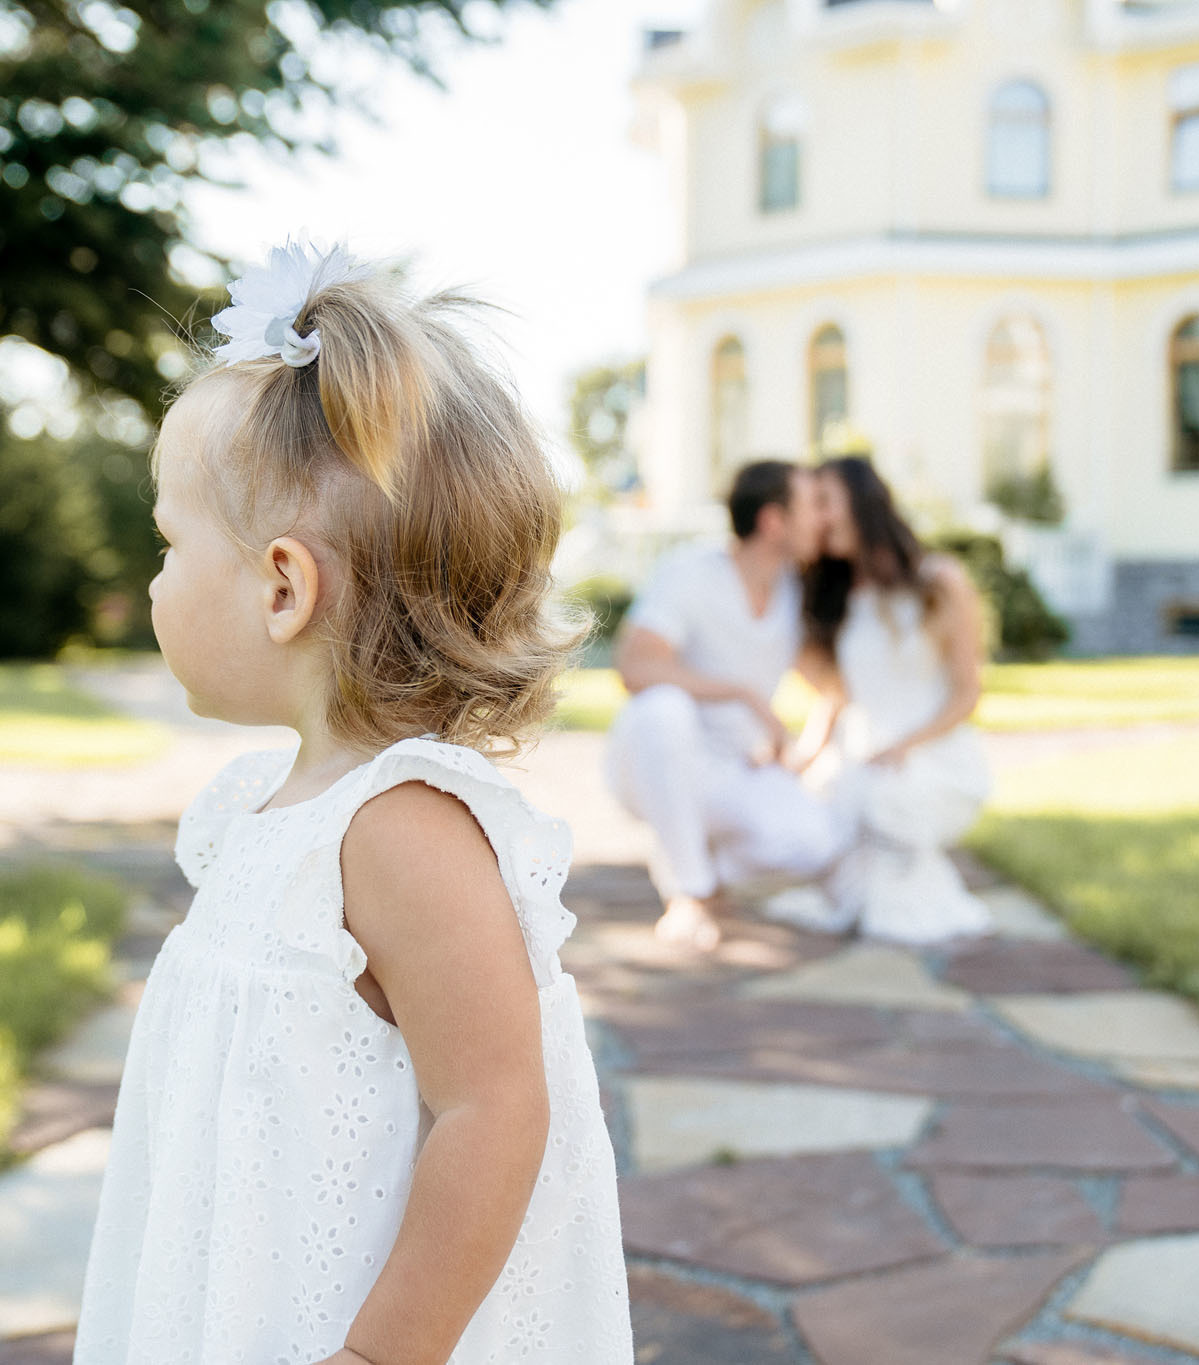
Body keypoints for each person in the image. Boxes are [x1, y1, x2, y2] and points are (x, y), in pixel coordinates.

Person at [74, 243, 632, 1365]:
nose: (151, 582)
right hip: (237, 1279)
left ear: (283, 587)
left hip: (339, 1319)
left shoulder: (400, 827)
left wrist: (383, 1354)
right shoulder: (276, 809)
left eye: (168, 544)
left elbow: (496, 1108)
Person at [606, 460, 847, 950]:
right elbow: (635, 668)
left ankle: (700, 864)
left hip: (731, 770)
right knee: (663, 708)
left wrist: (805, 753)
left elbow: (832, 687)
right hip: (654, 762)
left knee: (817, 839)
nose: (821, 520)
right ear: (773, 521)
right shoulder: (690, 573)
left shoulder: (792, 593)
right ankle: (688, 895)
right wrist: (745, 694)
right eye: (809, 507)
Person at [780, 455, 994, 944]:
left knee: (888, 797)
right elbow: (835, 696)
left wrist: (906, 746)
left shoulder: (939, 581)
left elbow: (967, 691)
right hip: (863, 756)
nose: (819, 518)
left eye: (825, 503)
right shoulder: (829, 598)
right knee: (827, 812)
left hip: (933, 752)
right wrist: (806, 754)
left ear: (861, 503)